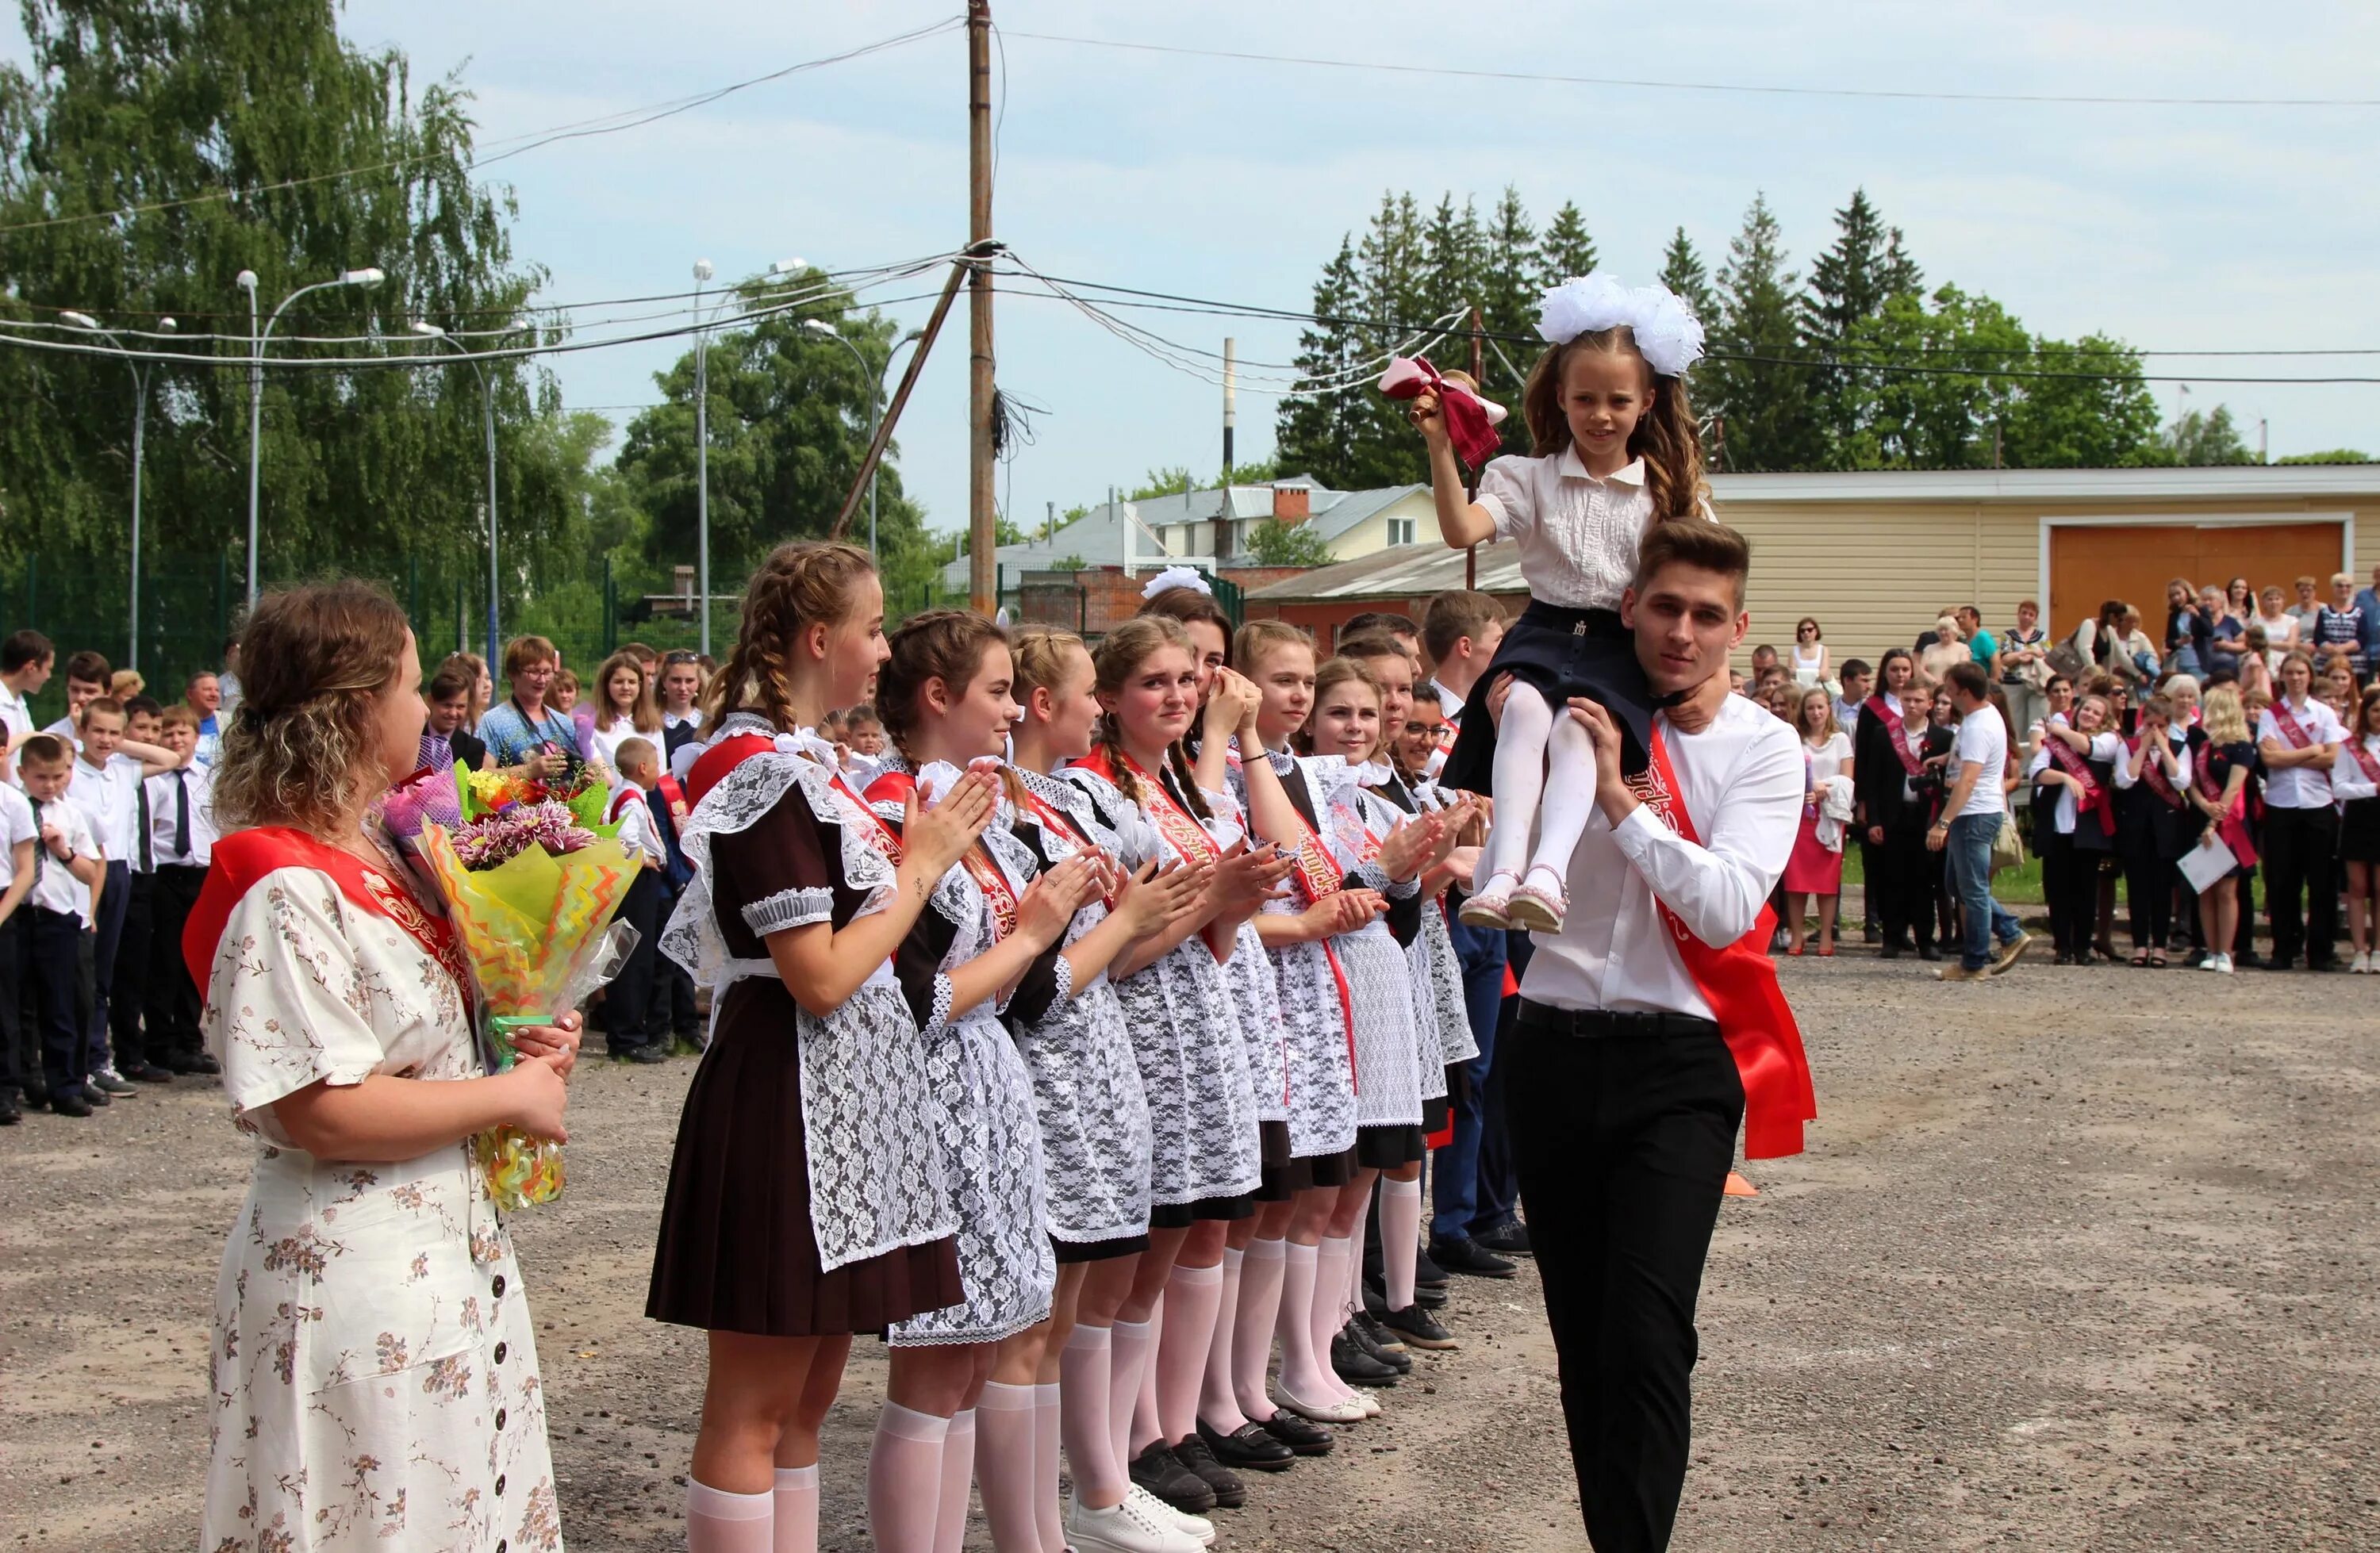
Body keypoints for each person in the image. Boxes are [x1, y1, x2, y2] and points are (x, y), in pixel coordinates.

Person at [190, 580, 581, 1550]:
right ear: (356, 708)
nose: (430, 707)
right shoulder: (287, 883)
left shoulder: (381, 851)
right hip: (352, 1267)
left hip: (438, 1251)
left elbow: (421, 1043)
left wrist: (523, 1033)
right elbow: (320, 1107)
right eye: (411, 685)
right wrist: (508, 1093)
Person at [644, 541, 973, 1553]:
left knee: (806, 1401)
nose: (882, 649)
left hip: (843, 1098)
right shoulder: (756, 775)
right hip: (784, 1094)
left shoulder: (809, 767)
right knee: (753, 1404)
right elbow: (819, 974)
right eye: (873, 630)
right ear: (820, 638)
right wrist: (918, 869)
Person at [1501, 519, 1809, 1551]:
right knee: (1585, 1339)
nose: (1683, 631)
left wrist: (1627, 800)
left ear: (1739, 626)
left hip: (1679, 1063)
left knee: (1646, 1335)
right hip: (1548, 1043)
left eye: (1707, 614)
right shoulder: (1566, 711)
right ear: (1628, 605)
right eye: (1665, 606)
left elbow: (1726, 908)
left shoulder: (1763, 746)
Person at [1408, 273, 1710, 934]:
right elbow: (1461, 530)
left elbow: (1699, 585)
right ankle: (1503, 868)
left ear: (1648, 402)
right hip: (1543, 628)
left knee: (1580, 729)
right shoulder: (1529, 477)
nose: (1600, 415)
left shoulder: (1666, 497)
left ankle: (1549, 871)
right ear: (1562, 399)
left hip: (1616, 641)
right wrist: (1439, 445)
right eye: (1584, 399)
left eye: (1617, 401)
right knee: (1518, 706)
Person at [1005, 624, 1218, 1553]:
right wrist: (1163, 910)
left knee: (1082, 1298)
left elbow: (1126, 933)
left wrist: (1190, 904)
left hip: (1093, 1054)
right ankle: (1064, 1508)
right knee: (1042, 1312)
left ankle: (1093, 1491)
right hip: (1049, 1058)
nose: (1098, 708)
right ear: (1046, 703)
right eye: (1095, 691)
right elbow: (1053, 965)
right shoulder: (1028, 800)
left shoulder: (1070, 802)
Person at [67, 696, 181, 1096]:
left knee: (105, 972)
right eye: (97, 731)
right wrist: (77, 729)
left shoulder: (124, 770)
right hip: (80, 871)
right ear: (81, 731)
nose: (105, 739)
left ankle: (99, 1059)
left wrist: (121, 745)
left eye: (113, 732)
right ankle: (73, 1062)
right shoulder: (69, 770)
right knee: (79, 970)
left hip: (120, 872)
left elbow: (169, 758)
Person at [1927, 663, 2031, 981]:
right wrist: (1947, 759)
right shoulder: (1981, 718)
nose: (1947, 694)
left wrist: (1943, 823)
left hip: (1973, 814)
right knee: (1957, 885)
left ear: (1965, 692)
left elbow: (1969, 780)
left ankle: (1975, 962)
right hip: (1975, 812)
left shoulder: (1977, 727)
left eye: (1951, 689)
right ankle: (2010, 932)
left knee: (1972, 889)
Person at [13, 735, 97, 1115]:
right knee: (19, 1007)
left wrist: (63, 850)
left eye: (56, 776)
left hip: (57, 918)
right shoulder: (12, 808)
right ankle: (24, 1081)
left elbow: (90, 872)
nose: (48, 785)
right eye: (40, 777)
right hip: (18, 915)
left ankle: (64, 1086)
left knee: (60, 1006)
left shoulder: (71, 814)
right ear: (22, 774)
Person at [2257, 650, 2345, 971]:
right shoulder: (2270, 716)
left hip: (2318, 804)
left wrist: (2289, 754)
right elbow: (2270, 760)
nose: (2295, 678)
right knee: (2282, 880)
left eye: (2301, 673)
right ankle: (2285, 949)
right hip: (2281, 805)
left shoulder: (2324, 714)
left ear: (2309, 676)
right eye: (2290, 672)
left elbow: (2332, 757)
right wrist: (2310, 750)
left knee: (2321, 882)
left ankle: (2320, 951)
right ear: (2282, 676)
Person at [144, 704, 219, 1077]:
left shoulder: (207, 779)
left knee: (194, 962)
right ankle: (161, 1041)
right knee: (165, 961)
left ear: (195, 737)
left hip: (200, 874)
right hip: (167, 875)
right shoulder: (154, 780)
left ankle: (191, 1040)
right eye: (168, 734)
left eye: (182, 734)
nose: (175, 740)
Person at [1852, 650, 1937, 961]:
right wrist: (1871, 814)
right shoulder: (1881, 731)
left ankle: (1926, 939)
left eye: (1918, 701)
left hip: (1925, 817)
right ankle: (1892, 936)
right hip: (1892, 814)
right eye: (1907, 701)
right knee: (1891, 879)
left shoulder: (1939, 737)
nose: (1912, 705)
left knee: (1923, 881)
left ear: (1929, 703)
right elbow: (1871, 776)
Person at [2031, 692, 2121, 965]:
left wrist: (2059, 729)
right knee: (2058, 890)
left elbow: (2088, 748)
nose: (2090, 715)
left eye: (2097, 712)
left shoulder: (2108, 741)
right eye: (2086, 709)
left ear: (2104, 720)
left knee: (2086, 890)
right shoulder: (2054, 744)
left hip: (2089, 828)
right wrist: (2065, 777)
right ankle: (2062, 946)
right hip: (2058, 825)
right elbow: (2037, 772)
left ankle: (2082, 946)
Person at [601, 736, 671, 1065]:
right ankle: (628, 1036)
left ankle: (629, 1031)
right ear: (643, 768)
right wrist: (645, 859)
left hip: (638, 882)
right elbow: (625, 839)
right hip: (637, 881)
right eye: (657, 765)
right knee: (634, 958)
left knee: (634, 956)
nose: (660, 771)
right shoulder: (630, 798)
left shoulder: (627, 794)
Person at [2112, 693, 2194, 967]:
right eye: (2149, 725)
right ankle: (2139, 945)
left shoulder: (2181, 747)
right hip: (2136, 826)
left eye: (2159, 726)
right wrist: (2143, 748)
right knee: (2138, 888)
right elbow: (2125, 780)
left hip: (2167, 827)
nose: (2153, 731)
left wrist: (2165, 748)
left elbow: (2181, 781)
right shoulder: (2129, 746)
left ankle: (2159, 945)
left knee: (2162, 888)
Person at [2186, 685, 2259, 975]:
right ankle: (2211, 949)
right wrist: (2204, 806)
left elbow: (2234, 788)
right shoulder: (2200, 743)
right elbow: (2189, 782)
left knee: (2227, 889)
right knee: (2206, 888)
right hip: (2203, 817)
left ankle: (2226, 952)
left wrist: (2214, 821)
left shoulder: (2241, 745)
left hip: (2229, 824)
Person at [1782, 686, 1853, 957]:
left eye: (1820, 707)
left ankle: (1826, 935)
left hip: (1830, 815)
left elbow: (1848, 778)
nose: (1816, 713)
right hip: (1800, 817)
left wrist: (1826, 787)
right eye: (1810, 708)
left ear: (1829, 710)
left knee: (1827, 882)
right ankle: (1797, 935)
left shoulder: (1841, 740)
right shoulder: (1794, 739)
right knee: (1796, 882)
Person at [477, 635, 582, 777]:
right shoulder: (493, 721)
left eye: (547, 672)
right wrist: (529, 771)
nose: (542, 679)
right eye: (534, 672)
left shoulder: (564, 723)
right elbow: (481, 776)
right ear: (513, 674)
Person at [2332, 687, 2380, 972]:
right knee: (2358, 887)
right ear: (2366, 713)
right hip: (2359, 816)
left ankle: (2378, 950)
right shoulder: (2350, 746)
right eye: (2375, 710)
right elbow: (2339, 787)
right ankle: (2359, 950)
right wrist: (2372, 788)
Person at [0, 744, 32, 1124]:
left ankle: (6, 1089)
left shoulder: (13, 802)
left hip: (5, 906)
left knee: (6, 1004)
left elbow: (24, 868)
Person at [586, 648, 662, 772]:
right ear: (606, 685)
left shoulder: (653, 728)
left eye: (632, 682)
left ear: (640, 685)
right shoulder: (592, 728)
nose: (626, 687)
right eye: (619, 682)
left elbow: (660, 778)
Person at [421, 663, 491, 773]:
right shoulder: (413, 739)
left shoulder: (473, 747)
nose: (453, 713)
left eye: (461, 707)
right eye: (447, 705)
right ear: (431, 700)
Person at [1998, 600, 2049, 739]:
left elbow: (2048, 655)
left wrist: (2031, 656)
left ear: (2035, 618)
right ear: (2018, 614)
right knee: (2015, 723)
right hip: (2013, 684)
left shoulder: (2042, 636)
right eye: (2024, 613)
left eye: (2031, 614)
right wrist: (2023, 655)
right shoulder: (2008, 635)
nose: (2027, 617)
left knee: (2037, 723)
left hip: (2037, 685)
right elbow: (2005, 659)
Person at [2310, 572, 2371, 681]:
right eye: (2340, 586)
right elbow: (2318, 637)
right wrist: (2334, 650)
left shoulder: (2360, 612)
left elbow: (2363, 637)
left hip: (2354, 665)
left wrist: (2343, 649)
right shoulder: (2324, 612)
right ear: (2333, 588)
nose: (2344, 589)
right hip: (2325, 664)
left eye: (2348, 586)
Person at [39, 649, 112, 738]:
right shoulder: (52, 737)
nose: (80, 698)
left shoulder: (125, 733)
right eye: (75, 690)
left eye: (90, 692)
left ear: (107, 693)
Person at [0, 630, 54, 750]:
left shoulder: (18, 701)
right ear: (32, 667)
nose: (49, 676)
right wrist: (31, 736)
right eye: (48, 669)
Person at [658, 649, 706, 771]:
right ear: (664, 681)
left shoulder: (710, 723)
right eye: (676, 680)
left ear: (698, 682)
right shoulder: (650, 724)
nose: (683, 688)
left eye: (689, 681)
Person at [2163, 577, 2209, 675]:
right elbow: (2169, 641)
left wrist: (2197, 615)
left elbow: (2209, 631)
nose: (2176, 598)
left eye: (2178, 594)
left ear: (2187, 593)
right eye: (2172, 596)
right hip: (2179, 663)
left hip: (2197, 663)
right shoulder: (2174, 615)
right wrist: (2179, 642)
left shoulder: (2201, 609)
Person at [186, 669, 227, 765]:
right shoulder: (178, 721)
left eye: (217, 690)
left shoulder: (229, 721)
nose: (213, 695)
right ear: (190, 694)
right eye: (207, 689)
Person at [2254, 585, 2302, 661]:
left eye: (2277, 599)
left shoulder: (2292, 621)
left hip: (2286, 660)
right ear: (2264, 602)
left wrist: (2265, 644)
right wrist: (2281, 645)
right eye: (2270, 599)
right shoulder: (2257, 622)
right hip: (2263, 660)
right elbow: (2255, 645)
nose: (2274, 602)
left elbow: (2290, 645)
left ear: (2283, 601)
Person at [1919, 615, 1968, 682]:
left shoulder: (1963, 649)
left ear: (1953, 631)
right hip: (1931, 688)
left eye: (1946, 630)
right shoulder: (1929, 648)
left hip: (1953, 688)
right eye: (1940, 630)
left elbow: (1963, 671)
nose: (1943, 632)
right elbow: (1922, 670)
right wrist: (1934, 682)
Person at [1789, 617, 1828, 688]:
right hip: (1799, 691)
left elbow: (1824, 675)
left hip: (1818, 691)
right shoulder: (1794, 650)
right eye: (1802, 631)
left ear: (1816, 631)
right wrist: (1816, 673)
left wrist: (1799, 673)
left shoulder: (1823, 650)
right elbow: (1791, 673)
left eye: (1810, 630)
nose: (1806, 633)